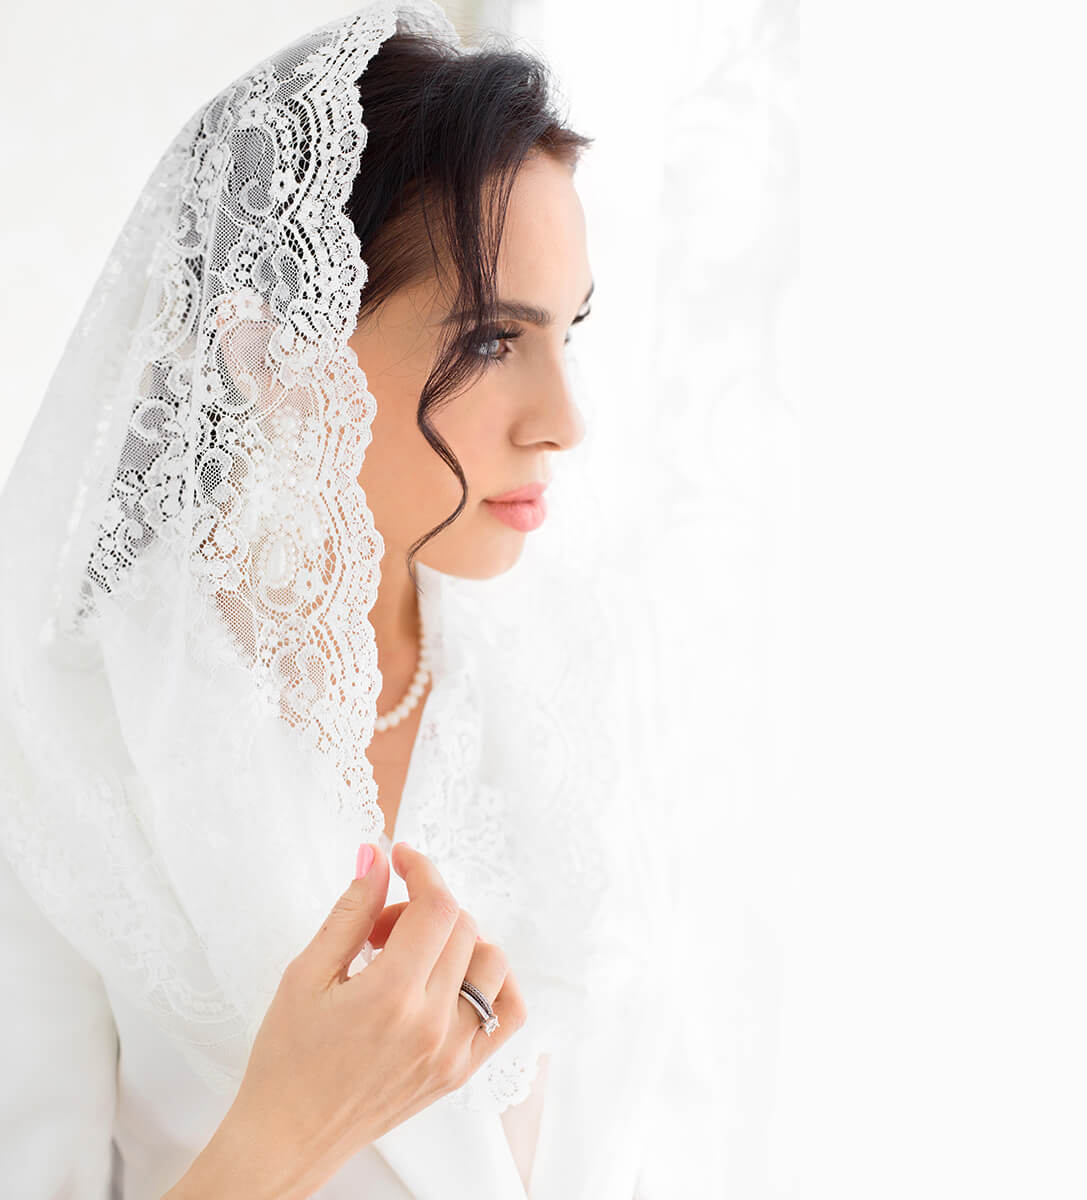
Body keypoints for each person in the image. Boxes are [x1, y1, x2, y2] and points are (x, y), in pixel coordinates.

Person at [0, 3, 679, 1197]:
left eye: (568, 332)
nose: (564, 421)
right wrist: (291, 1124)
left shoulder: (578, 679)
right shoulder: (55, 736)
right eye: (484, 342)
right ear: (272, 355)